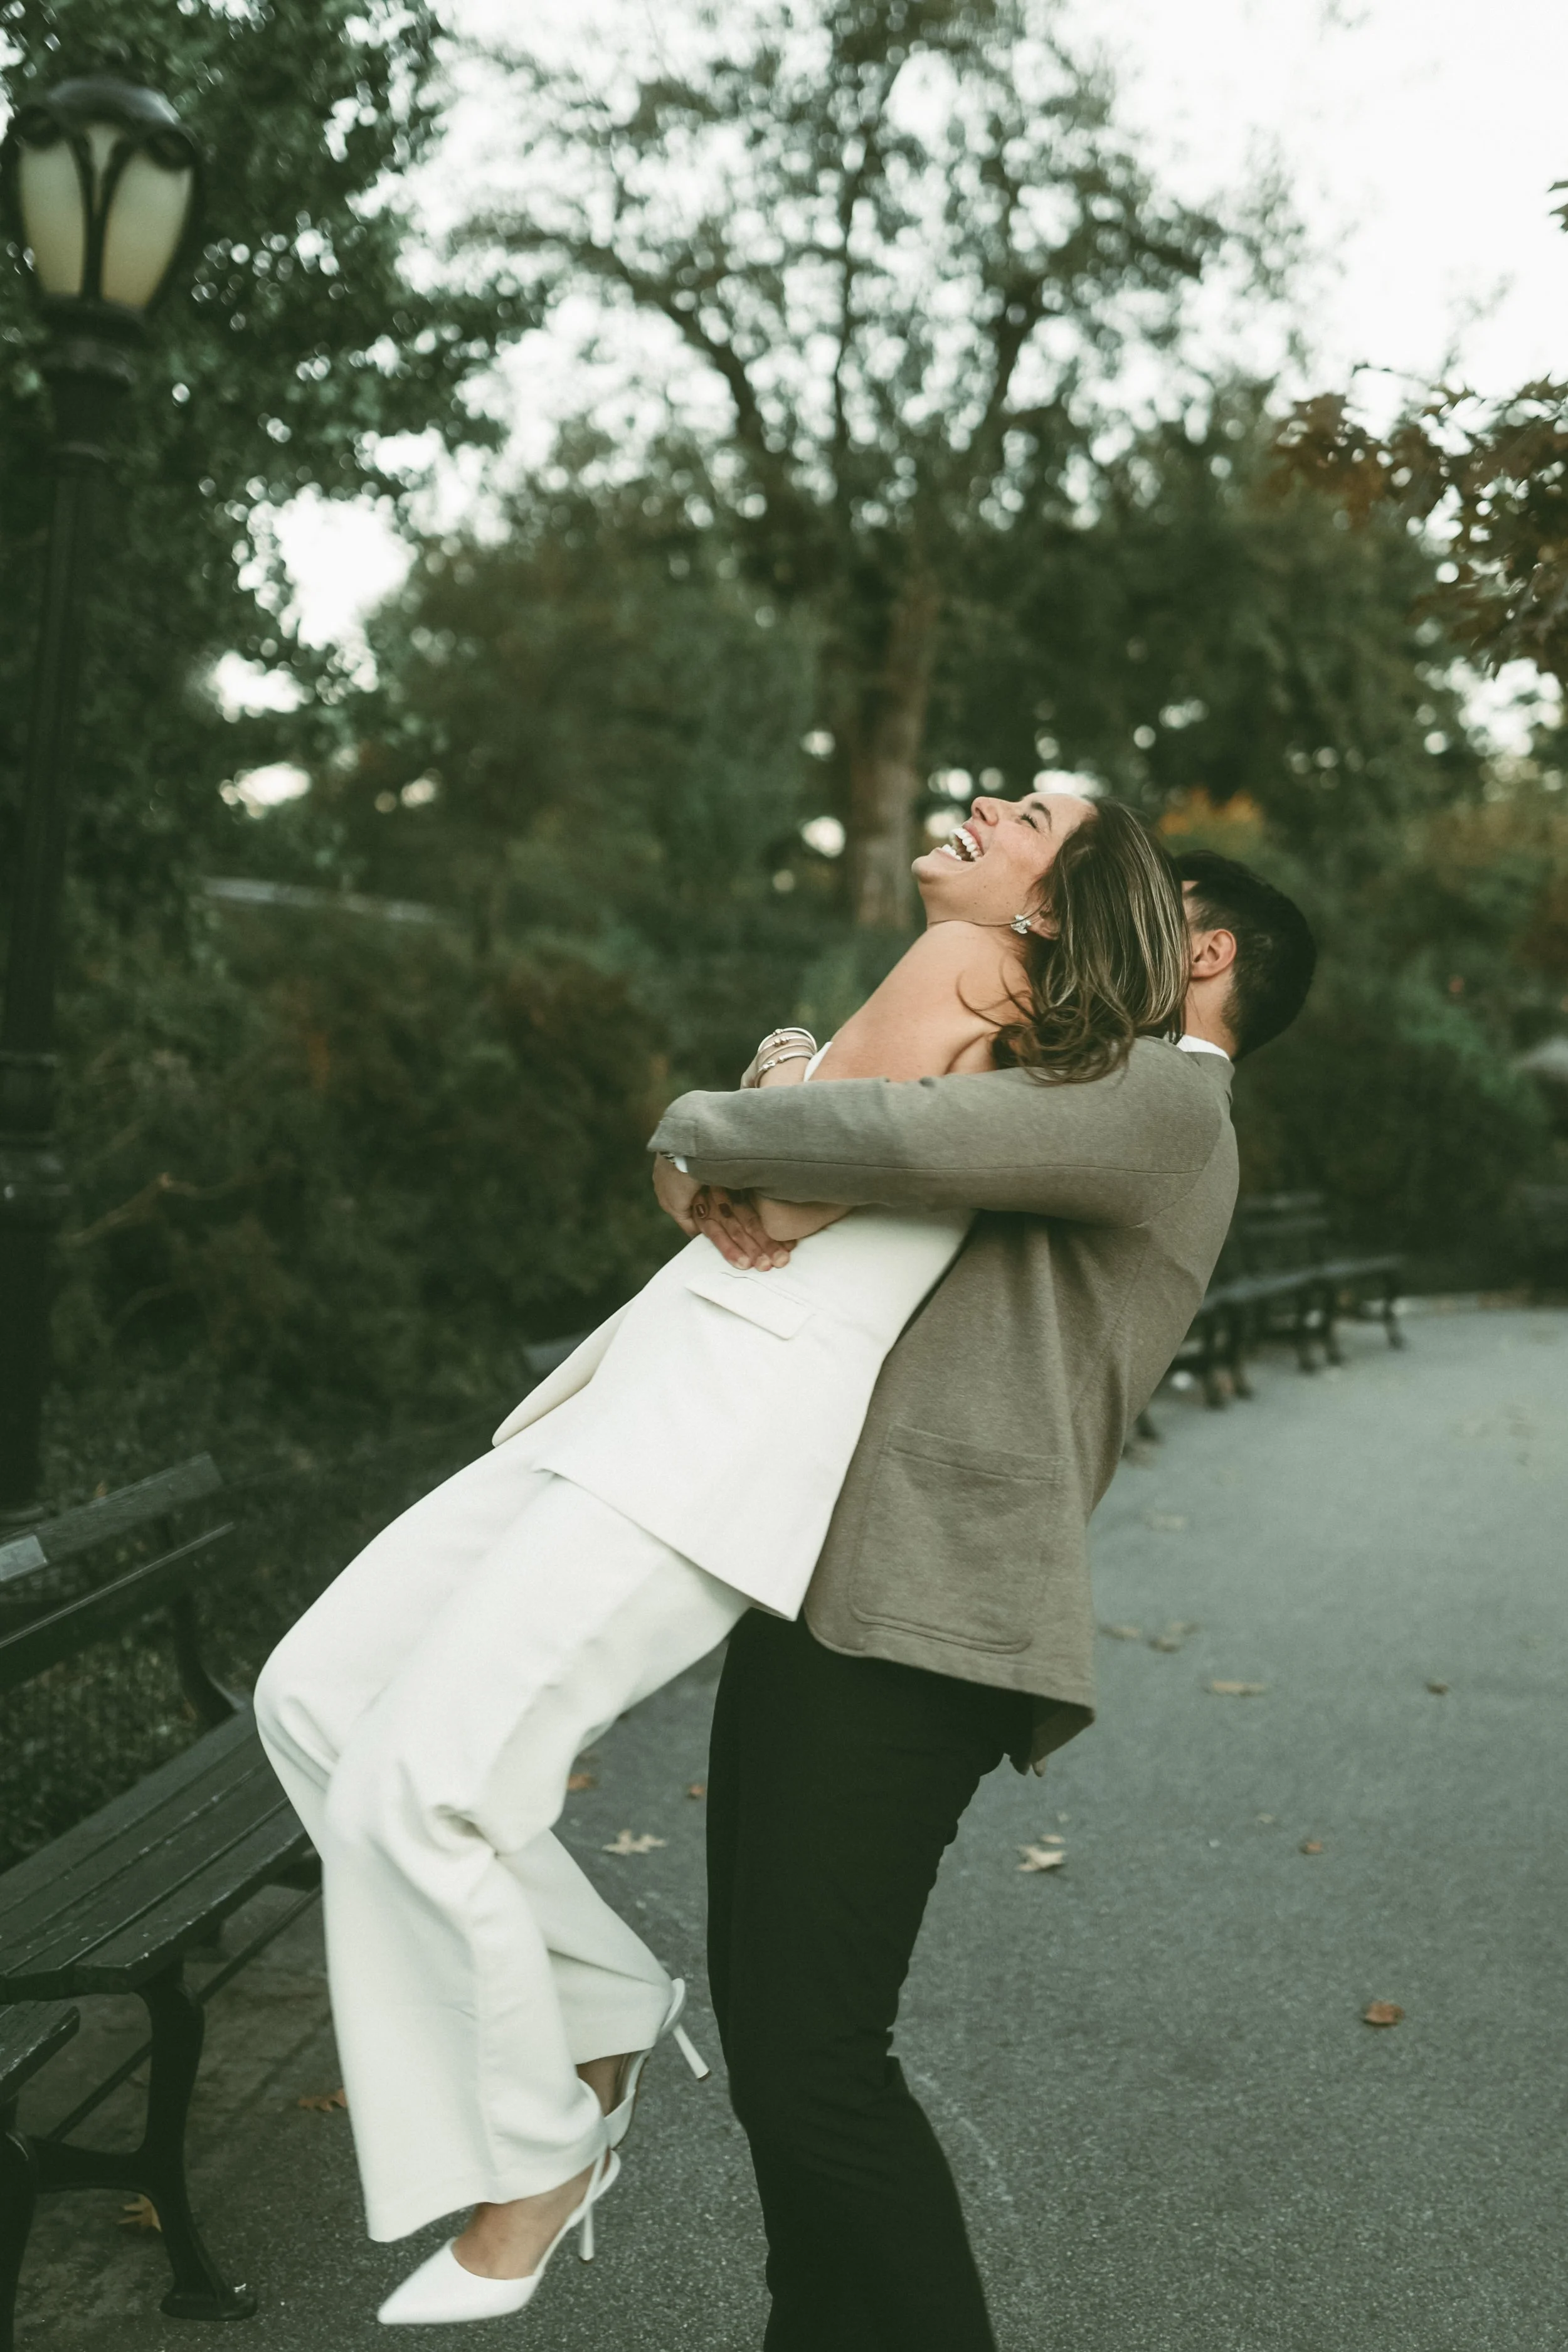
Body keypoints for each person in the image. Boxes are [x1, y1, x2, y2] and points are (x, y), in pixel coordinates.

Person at [252, 785, 1194, 2327]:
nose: (973, 803)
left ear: (1051, 903)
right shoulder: (967, 1002)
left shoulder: (967, 973)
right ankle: (604, 2002)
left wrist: (741, 1106)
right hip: (632, 1393)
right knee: (314, 1696)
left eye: (1021, 811)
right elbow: (742, 1169)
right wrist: (743, 1123)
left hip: (711, 1440)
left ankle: (542, 2151)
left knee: (417, 1783)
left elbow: (777, 1179)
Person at [651, 840, 1316, 2352]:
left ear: (1204, 958)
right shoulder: (1111, 1091)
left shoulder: (1160, 1099)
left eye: (1149, 917)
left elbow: (888, 1133)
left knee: (815, 2059)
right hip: (844, 1588)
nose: (1105, 934)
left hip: (923, 1611)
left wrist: (701, 1121)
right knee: (776, 2045)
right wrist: (771, 1096)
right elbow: (863, 1121)